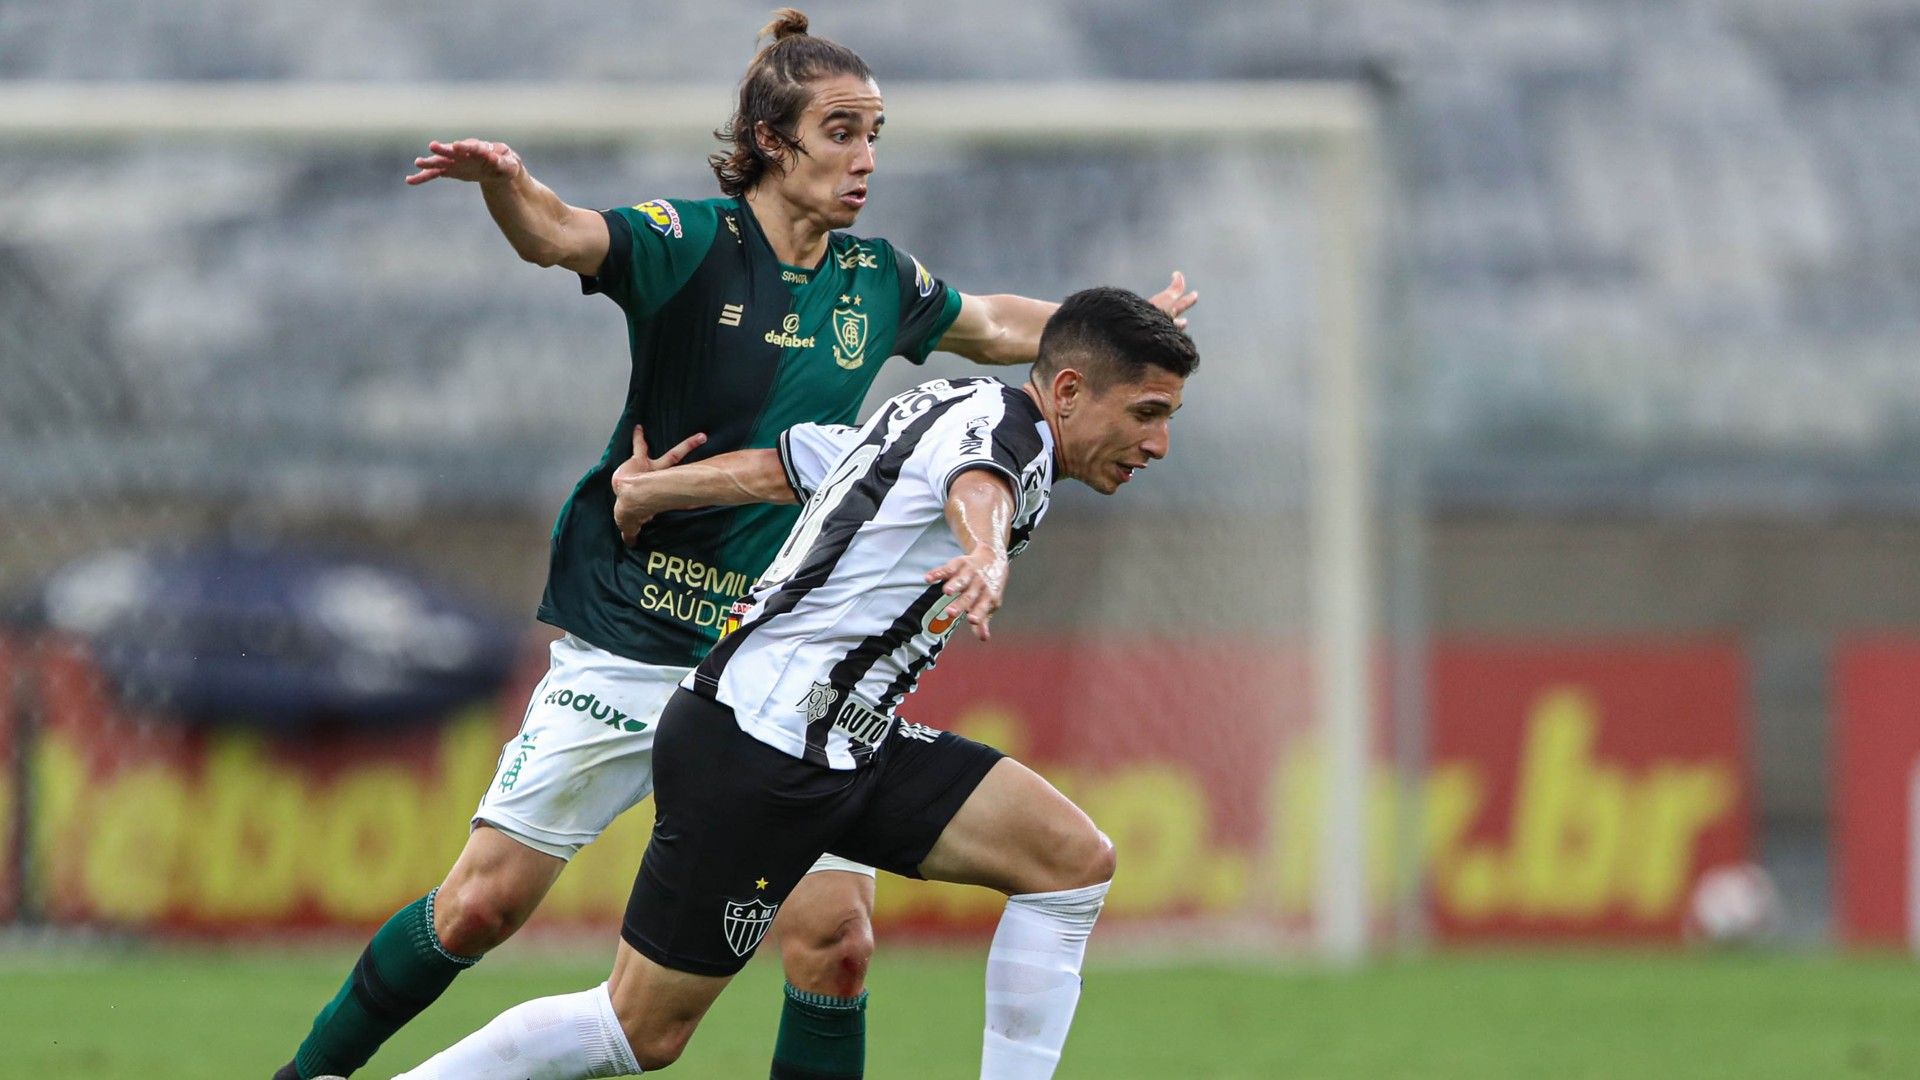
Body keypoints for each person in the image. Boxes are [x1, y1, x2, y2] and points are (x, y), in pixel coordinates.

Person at [273, 10, 1198, 1080]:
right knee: (486, 907)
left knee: (836, 945)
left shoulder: (876, 280)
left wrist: (1114, 332)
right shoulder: (689, 241)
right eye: (842, 131)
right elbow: (564, 234)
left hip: (784, 667)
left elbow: (994, 326)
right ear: (771, 139)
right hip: (641, 637)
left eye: (876, 134)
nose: (866, 159)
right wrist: (503, 187)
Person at [394, 285, 1199, 1079]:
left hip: (839, 732)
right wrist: (984, 551)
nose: (1158, 445)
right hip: (758, 746)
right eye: (1147, 414)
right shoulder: (1004, 438)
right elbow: (978, 486)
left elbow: (799, 465)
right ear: (1067, 391)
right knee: (637, 1031)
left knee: (1070, 861)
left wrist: (656, 489)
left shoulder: (949, 399)